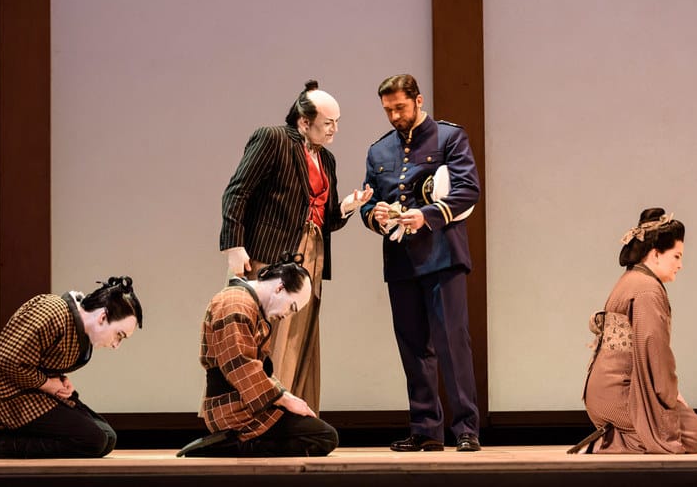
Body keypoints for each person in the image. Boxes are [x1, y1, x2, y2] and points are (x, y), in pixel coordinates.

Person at [220, 79, 372, 414]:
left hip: (312, 252)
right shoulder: (273, 139)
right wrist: (234, 245)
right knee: (270, 334)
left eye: (337, 123)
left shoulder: (326, 159)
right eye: (327, 123)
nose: (334, 130)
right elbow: (237, 191)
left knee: (301, 337)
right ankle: (260, 413)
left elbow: (325, 217)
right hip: (273, 253)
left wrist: (346, 205)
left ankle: (297, 412)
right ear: (304, 122)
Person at [360, 74, 482, 452]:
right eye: (388, 110)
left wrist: (426, 215)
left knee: (452, 344)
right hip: (400, 261)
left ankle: (465, 429)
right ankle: (426, 428)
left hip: (442, 257)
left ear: (418, 100)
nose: (395, 116)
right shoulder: (378, 151)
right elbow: (367, 199)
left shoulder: (449, 138)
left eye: (400, 107)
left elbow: (467, 189)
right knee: (413, 348)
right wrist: (375, 215)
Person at [0, 277, 144, 459]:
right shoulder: (52, 310)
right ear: (102, 317)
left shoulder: (81, 334)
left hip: (35, 390)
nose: (116, 345)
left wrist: (60, 381)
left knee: (107, 438)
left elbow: (44, 360)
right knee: (94, 440)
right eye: (119, 335)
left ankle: (13, 437)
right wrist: (47, 384)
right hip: (8, 393)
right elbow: (6, 360)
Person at [579, 209, 697, 454]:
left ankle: (618, 436)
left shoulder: (631, 279)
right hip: (620, 395)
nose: (680, 265)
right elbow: (654, 350)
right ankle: (617, 440)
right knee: (696, 432)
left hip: (601, 392)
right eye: (676, 256)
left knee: (689, 424)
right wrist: (672, 397)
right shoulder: (647, 290)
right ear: (655, 255)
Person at [182, 261, 339, 457]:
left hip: (245, 400)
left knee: (321, 433)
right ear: (280, 287)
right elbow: (239, 364)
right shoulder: (235, 303)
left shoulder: (248, 304)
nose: (286, 315)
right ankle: (232, 444)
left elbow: (259, 369)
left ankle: (239, 442)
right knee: (323, 437)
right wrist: (285, 399)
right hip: (233, 408)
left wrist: (286, 397)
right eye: (291, 307)